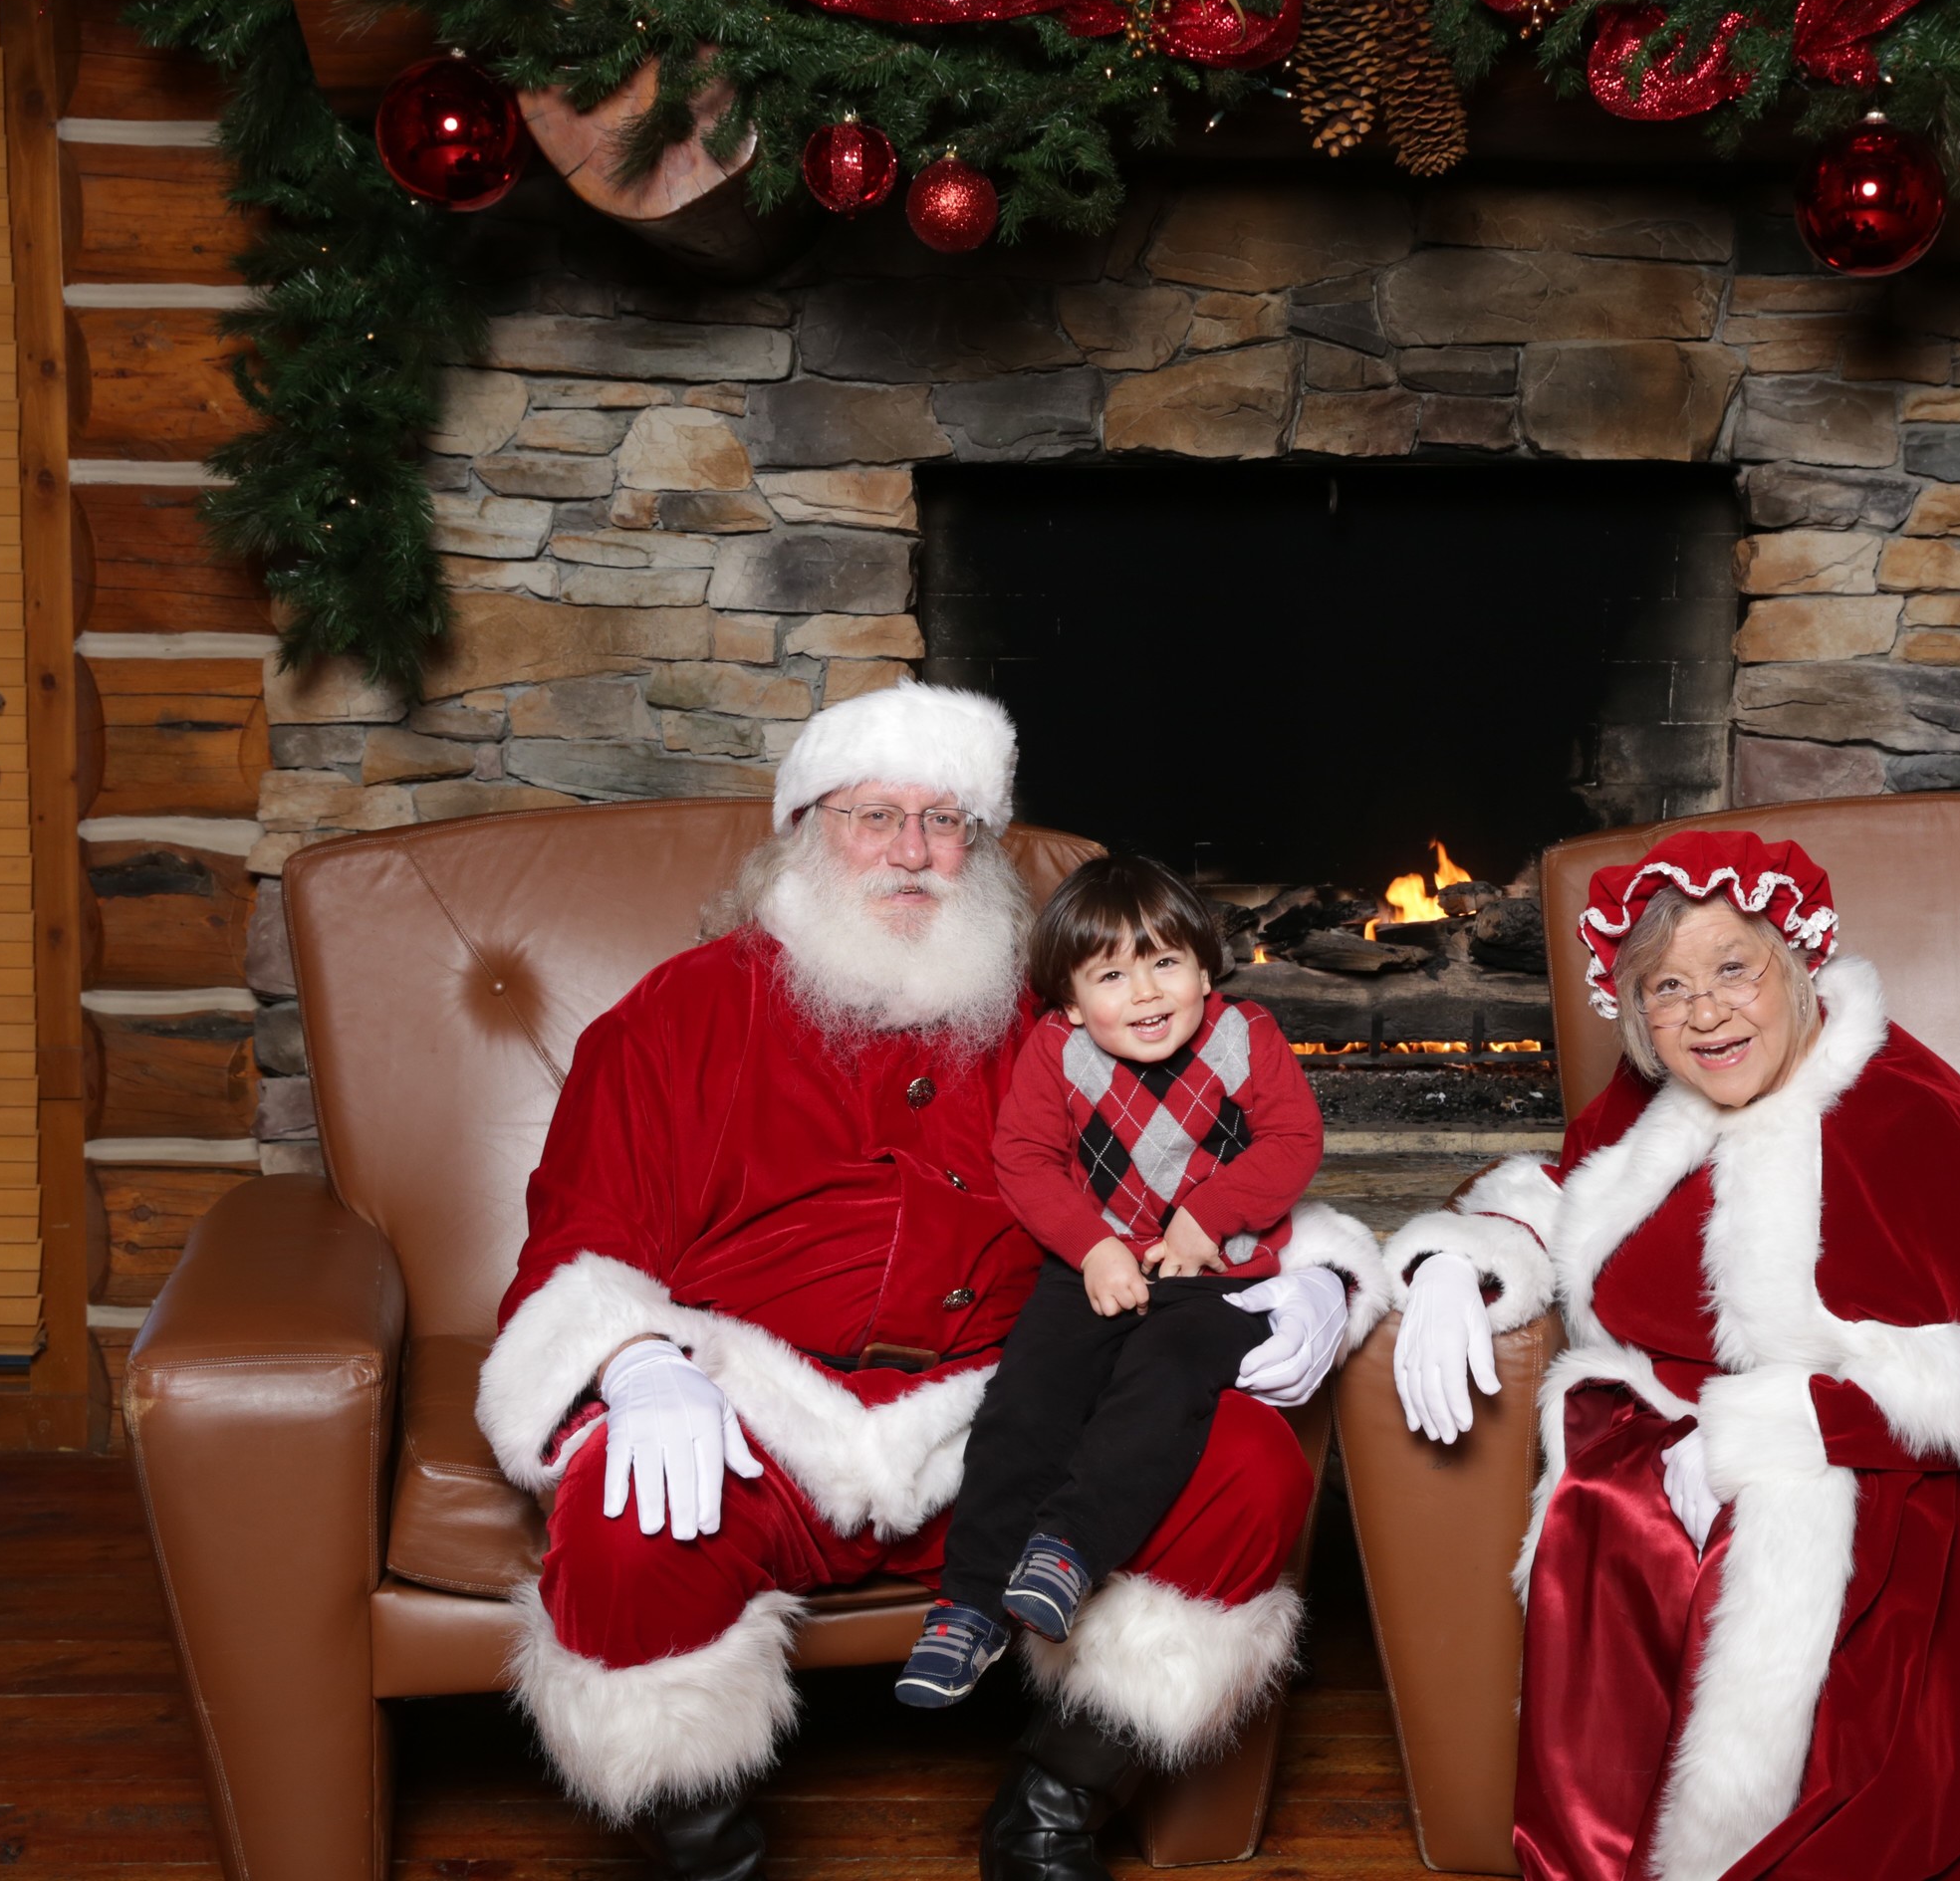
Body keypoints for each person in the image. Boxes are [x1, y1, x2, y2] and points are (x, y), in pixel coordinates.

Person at [473, 681, 1388, 1881]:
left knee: (1246, 1470)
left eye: (945, 821)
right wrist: (637, 1365)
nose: (912, 852)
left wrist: (1319, 1273)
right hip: (760, 1423)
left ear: (982, 850)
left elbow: (1219, 1156)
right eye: (874, 817)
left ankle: (1053, 1811)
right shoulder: (673, 1019)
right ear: (803, 833)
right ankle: (709, 1856)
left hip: (1005, 1417)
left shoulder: (1063, 1026)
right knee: (625, 1524)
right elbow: (577, 1244)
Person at [1376, 829, 1960, 1881]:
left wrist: (1789, 1427)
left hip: (1880, 1453)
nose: (1704, 1012)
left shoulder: (1908, 1109)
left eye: (1732, 970)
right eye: (1667, 988)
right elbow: (1568, 1191)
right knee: (1606, 1513)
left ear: (1796, 963)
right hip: (1671, 1424)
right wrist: (1462, 1262)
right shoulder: (1656, 1095)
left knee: (1773, 1575)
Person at [898, 854, 1331, 1706]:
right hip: (1093, 1267)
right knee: (1027, 1398)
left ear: (1204, 970)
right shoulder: (1055, 1052)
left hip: (1217, 1275)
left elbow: (1293, 1140)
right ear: (1068, 1001)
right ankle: (970, 1604)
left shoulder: (1246, 1037)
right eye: (1111, 976)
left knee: (1161, 1380)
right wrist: (1092, 1246)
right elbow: (1024, 1160)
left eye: (1165, 962)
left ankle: (1068, 1549)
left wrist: (1209, 1216)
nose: (1145, 993)